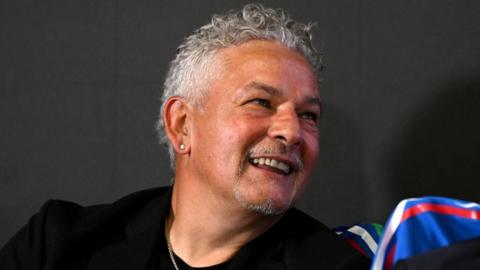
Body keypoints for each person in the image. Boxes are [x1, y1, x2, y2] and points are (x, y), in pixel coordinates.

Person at [0, 4, 370, 270]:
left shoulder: (334, 264)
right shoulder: (56, 244)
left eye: (308, 115)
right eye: (260, 102)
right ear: (182, 124)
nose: (292, 132)